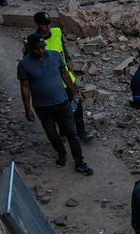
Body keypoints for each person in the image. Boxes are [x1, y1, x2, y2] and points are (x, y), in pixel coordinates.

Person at [18, 33, 94, 175]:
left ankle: (79, 162)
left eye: (43, 47)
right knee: (52, 133)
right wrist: (27, 109)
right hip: (42, 106)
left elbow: (64, 74)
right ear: (30, 48)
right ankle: (61, 153)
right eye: (37, 49)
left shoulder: (54, 55)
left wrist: (74, 93)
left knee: (72, 131)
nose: (41, 51)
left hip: (62, 102)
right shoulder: (24, 65)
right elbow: (25, 87)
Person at [22, 11, 93, 141]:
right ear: (37, 24)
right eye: (44, 25)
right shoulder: (31, 42)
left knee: (76, 103)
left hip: (65, 77)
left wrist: (69, 59)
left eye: (49, 24)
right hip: (50, 82)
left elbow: (63, 48)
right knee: (56, 108)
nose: (47, 27)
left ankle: (81, 132)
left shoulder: (56, 32)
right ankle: (63, 131)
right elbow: (28, 64)